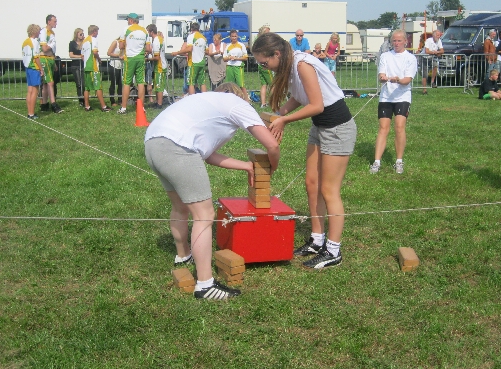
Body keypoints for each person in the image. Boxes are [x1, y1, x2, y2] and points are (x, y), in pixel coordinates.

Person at [144, 82, 280, 299]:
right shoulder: (237, 103)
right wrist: (272, 168)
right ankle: (205, 285)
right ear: (242, 95)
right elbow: (272, 145)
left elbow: (207, 154)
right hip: (178, 147)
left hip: (153, 143)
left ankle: (183, 255)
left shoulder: (205, 102)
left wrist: (247, 166)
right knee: (204, 215)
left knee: (180, 207)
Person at [252, 32, 357, 269]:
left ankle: (333, 251)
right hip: (320, 127)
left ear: (276, 54)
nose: (264, 67)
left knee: (329, 190)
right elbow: (300, 97)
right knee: (311, 183)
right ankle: (317, 240)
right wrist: (278, 114)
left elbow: (317, 105)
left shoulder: (302, 65)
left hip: (337, 128)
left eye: (264, 63)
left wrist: (284, 121)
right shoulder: (289, 66)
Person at [369, 29, 417, 175]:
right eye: (394, 41)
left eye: (399, 41)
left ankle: (399, 161)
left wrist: (398, 80)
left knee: (399, 127)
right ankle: (377, 162)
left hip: (402, 97)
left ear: (405, 41)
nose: (396, 43)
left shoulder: (410, 58)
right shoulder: (385, 56)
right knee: (383, 128)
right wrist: (383, 78)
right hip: (386, 97)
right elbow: (381, 75)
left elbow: (407, 80)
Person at [117, 13, 150, 114]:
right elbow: (148, 48)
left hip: (130, 58)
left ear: (131, 20)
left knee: (127, 82)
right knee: (140, 82)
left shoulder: (126, 29)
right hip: (140, 58)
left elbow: (121, 46)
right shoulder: (144, 31)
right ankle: (141, 107)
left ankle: (123, 107)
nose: (127, 22)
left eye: (128, 20)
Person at [172, 22, 207, 94]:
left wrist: (177, 52)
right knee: (202, 82)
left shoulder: (191, 36)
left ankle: (192, 99)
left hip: (193, 62)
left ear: (191, 29)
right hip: (202, 62)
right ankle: (204, 98)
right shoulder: (203, 38)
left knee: (191, 83)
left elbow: (189, 49)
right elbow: (207, 51)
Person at [81, 25, 110, 112]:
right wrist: (99, 59)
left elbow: (82, 56)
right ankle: (103, 106)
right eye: (97, 31)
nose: (97, 34)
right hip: (93, 67)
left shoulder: (84, 41)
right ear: (94, 32)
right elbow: (94, 52)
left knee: (87, 88)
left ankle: (87, 106)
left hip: (86, 67)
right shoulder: (93, 39)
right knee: (98, 86)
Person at [38, 14, 63, 113]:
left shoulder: (52, 32)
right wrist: (51, 45)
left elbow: (51, 50)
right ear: (49, 21)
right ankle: (53, 104)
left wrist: (54, 61)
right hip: (44, 58)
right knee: (50, 82)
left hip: (50, 58)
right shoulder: (44, 32)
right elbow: (44, 48)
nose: (56, 23)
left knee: (45, 84)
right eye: (54, 21)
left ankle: (44, 104)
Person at [21, 24, 44, 120]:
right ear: (35, 31)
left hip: (28, 67)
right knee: (35, 91)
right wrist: (41, 68)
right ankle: (32, 113)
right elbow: (36, 57)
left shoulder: (25, 42)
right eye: (38, 31)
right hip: (34, 68)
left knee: (29, 91)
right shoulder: (35, 42)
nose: (39, 33)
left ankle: (29, 112)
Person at [146, 26, 167, 108]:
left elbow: (157, 57)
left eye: (148, 31)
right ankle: (158, 102)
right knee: (157, 85)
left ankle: (159, 104)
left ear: (152, 32)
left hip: (160, 66)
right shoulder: (160, 39)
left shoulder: (156, 41)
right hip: (160, 65)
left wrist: (148, 59)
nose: (148, 33)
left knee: (159, 86)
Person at [223, 29, 248, 94]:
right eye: (232, 36)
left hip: (238, 66)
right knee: (230, 86)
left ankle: (246, 99)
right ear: (230, 37)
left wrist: (236, 58)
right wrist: (229, 57)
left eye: (235, 36)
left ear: (237, 36)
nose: (234, 38)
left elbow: (245, 58)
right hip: (230, 67)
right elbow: (224, 58)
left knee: (241, 85)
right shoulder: (228, 46)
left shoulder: (241, 45)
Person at [420, 30, 443, 94]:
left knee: (435, 66)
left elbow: (442, 51)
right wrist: (434, 52)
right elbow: (427, 51)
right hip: (424, 58)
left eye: (439, 35)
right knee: (425, 74)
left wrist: (437, 52)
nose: (439, 36)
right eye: (437, 35)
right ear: (433, 35)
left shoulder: (439, 41)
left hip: (431, 57)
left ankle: (432, 82)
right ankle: (424, 89)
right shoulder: (428, 40)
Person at [255, 25, 272, 106]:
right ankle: (274, 102)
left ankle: (263, 103)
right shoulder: (264, 42)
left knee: (264, 84)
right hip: (266, 64)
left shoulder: (257, 41)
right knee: (272, 84)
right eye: (267, 32)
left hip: (260, 64)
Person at [69, 28, 85, 106]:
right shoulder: (72, 43)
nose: (82, 35)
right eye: (80, 34)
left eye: (83, 34)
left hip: (83, 65)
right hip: (75, 65)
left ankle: (85, 99)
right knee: (79, 83)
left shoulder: (84, 42)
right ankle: (81, 100)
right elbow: (71, 55)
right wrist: (80, 56)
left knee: (84, 83)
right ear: (76, 34)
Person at [106, 36, 124, 106]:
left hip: (121, 66)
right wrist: (118, 56)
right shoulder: (115, 42)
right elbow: (109, 53)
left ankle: (120, 100)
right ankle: (112, 101)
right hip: (113, 65)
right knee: (113, 83)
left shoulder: (125, 44)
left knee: (120, 84)